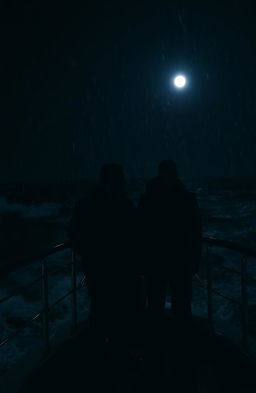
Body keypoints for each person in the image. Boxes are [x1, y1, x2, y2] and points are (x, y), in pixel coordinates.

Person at [68, 164, 138, 345]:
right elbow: (136, 236)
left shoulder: (86, 205)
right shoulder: (125, 205)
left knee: (100, 311)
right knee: (119, 313)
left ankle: (100, 356)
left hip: (98, 269)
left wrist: (90, 255)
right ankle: (116, 353)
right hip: (119, 270)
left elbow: (74, 236)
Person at [139, 160, 202, 322]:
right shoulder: (186, 199)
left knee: (159, 304)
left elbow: (141, 230)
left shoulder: (149, 199)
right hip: (175, 259)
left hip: (161, 259)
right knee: (176, 305)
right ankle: (178, 339)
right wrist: (195, 259)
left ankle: (158, 340)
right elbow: (195, 231)